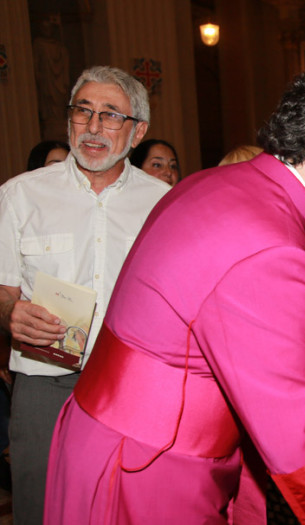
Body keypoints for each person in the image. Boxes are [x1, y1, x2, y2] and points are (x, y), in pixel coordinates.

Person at [44, 66, 305, 523]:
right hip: (149, 468)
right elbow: (300, 440)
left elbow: (206, 302)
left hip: (108, 435)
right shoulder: (270, 244)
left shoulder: (219, 184)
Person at [0, 65, 169, 525]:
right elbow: (4, 291)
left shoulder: (163, 204)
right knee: (38, 507)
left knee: (126, 508)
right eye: (83, 111)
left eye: (111, 115)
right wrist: (12, 313)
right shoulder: (19, 196)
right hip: (43, 383)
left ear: (138, 133)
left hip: (133, 385)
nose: (93, 128)